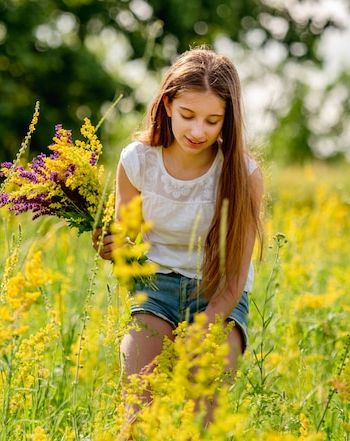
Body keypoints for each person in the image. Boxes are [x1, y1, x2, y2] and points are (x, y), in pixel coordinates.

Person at [92, 46, 264, 429]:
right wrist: (112, 247)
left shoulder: (242, 174)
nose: (197, 131)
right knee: (136, 412)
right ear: (167, 105)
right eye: (187, 115)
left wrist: (209, 322)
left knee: (201, 418)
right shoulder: (137, 161)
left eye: (212, 120)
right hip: (157, 291)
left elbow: (236, 273)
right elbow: (128, 240)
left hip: (219, 293)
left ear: (227, 122)